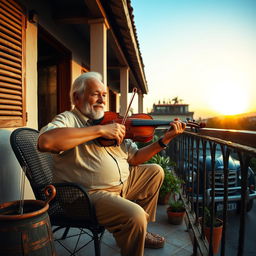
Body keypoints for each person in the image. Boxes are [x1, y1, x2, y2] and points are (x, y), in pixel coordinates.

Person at [38, 72, 186, 256]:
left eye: (104, 95)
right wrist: (100, 130)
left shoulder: (113, 122)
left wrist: (164, 140)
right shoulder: (69, 118)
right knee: (135, 215)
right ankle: (134, 229)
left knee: (156, 171)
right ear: (77, 97)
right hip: (87, 196)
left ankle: (138, 232)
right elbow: (46, 142)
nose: (102, 99)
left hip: (121, 186)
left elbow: (135, 157)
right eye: (95, 94)